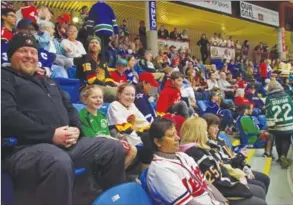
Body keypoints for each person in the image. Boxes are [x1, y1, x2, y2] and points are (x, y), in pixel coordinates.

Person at [2, 32, 126, 205]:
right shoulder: (4, 77)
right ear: (11, 55)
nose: (29, 56)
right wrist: (50, 134)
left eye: (33, 52)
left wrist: (76, 129)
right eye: (23, 51)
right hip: (25, 149)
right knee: (58, 161)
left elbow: (70, 108)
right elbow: (7, 116)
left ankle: (109, 201)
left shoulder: (48, 81)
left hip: (65, 145)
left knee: (113, 148)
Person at [180, 117, 267, 205]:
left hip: (226, 182)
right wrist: (239, 185)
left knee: (261, 187)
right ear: (198, 132)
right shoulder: (195, 153)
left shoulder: (201, 148)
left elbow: (221, 167)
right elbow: (217, 183)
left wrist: (241, 167)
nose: (206, 133)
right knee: (259, 195)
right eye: (204, 130)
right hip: (220, 193)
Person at [147, 118, 228, 205]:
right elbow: (188, 203)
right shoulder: (160, 170)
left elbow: (206, 183)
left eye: (176, 133)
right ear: (157, 142)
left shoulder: (183, 155)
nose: (178, 138)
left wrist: (224, 201)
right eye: (171, 136)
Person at [202, 113, 271, 194]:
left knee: (265, 179)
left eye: (217, 127)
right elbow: (224, 163)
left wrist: (244, 164)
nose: (217, 129)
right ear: (205, 128)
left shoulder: (220, 140)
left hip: (237, 168)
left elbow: (231, 156)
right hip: (231, 175)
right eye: (214, 126)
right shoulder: (208, 145)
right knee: (260, 188)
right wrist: (240, 157)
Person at [79, 85, 137, 168]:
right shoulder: (82, 115)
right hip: (94, 146)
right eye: (94, 97)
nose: (98, 100)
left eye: (100, 97)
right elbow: (92, 137)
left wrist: (119, 138)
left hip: (108, 143)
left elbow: (107, 134)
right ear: (85, 100)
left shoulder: (102, 115)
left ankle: (118, 174)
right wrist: (115, 141)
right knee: (118, 150)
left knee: (132, 149)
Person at [107, 83, 153, 170]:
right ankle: (142, 172)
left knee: (150, 136)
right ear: (119, 94)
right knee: (146, 140)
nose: (130, 97)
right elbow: (123, 127)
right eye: (127, 94)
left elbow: (142, 121)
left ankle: (145, 171)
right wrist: (138, 140)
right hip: (118, 134)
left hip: (131, 133)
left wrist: (151, 129)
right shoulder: (114, 105)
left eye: (132, 95)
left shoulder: (132, 105)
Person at [74, 36, 117, 102]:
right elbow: (91, 79)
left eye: (96, 43)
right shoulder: (85, 58)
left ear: (100, 47)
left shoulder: (102, 60)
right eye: (92, 42)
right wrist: (106, 86)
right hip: (87, 87)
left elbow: (107, 76)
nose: (94, 44)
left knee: (121, 91)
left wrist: (111, 85)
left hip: (100, 87)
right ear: (88, 46)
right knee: (116, 93)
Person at [265, 80, 293, 168]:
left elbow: (268, 112)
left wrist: (270, 125)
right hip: (288, 123)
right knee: (286, 140)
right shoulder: (287, 96)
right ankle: (283, 156)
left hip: (276, 124)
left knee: (278, 139)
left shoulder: (269, 98)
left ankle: (280, 157)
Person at [87, 1, 119, 66]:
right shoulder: (109, 7)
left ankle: (99, 63)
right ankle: (104, 63)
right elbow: (114, 20)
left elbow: (90, 20)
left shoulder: (94, 7)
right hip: (109, 30)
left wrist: (89, 32)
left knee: (99, 46)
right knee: (105, 47)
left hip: (99, 28)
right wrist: (116, 32)